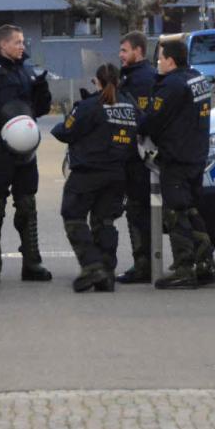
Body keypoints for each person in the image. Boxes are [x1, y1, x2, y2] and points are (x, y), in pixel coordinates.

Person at [0, 25, 52, 284]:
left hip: (25, 151)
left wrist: (41, 89)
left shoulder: (26, 72)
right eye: (17, 42)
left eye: (22, 42)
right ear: (2, 44)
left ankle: (32, 262)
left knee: (27, 204)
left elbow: (39, 109)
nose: (22, 46)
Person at [138, 40, 215, 289]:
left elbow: (153, 119)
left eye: (160, 58)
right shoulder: (198, 79)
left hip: (177, 157)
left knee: (175, 213)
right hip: (196, 154)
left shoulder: (172, 84)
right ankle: (205, 263)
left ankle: (185, 267)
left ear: (171, 61)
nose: (158, 63)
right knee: (191, 209)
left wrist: (138, 124)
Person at [52, 64, 139, 292]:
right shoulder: (130, 105)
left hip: (88, 172)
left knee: (72, 215)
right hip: (117, 174)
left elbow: (66, 132)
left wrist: (63, 122)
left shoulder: (89, 106)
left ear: (97, 82)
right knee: (105, 221)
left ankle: (92, 265)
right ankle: (107, 272)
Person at [116, 31, 157, 284]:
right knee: (139, 209)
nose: (120, 55)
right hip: (139, 154)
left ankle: (144, 264)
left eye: (124, 50)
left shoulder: (141, 80)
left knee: (138, 210)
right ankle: (149, 261)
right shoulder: (135, 76)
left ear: (138, 51)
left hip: (139, 156)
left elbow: (139, 119)